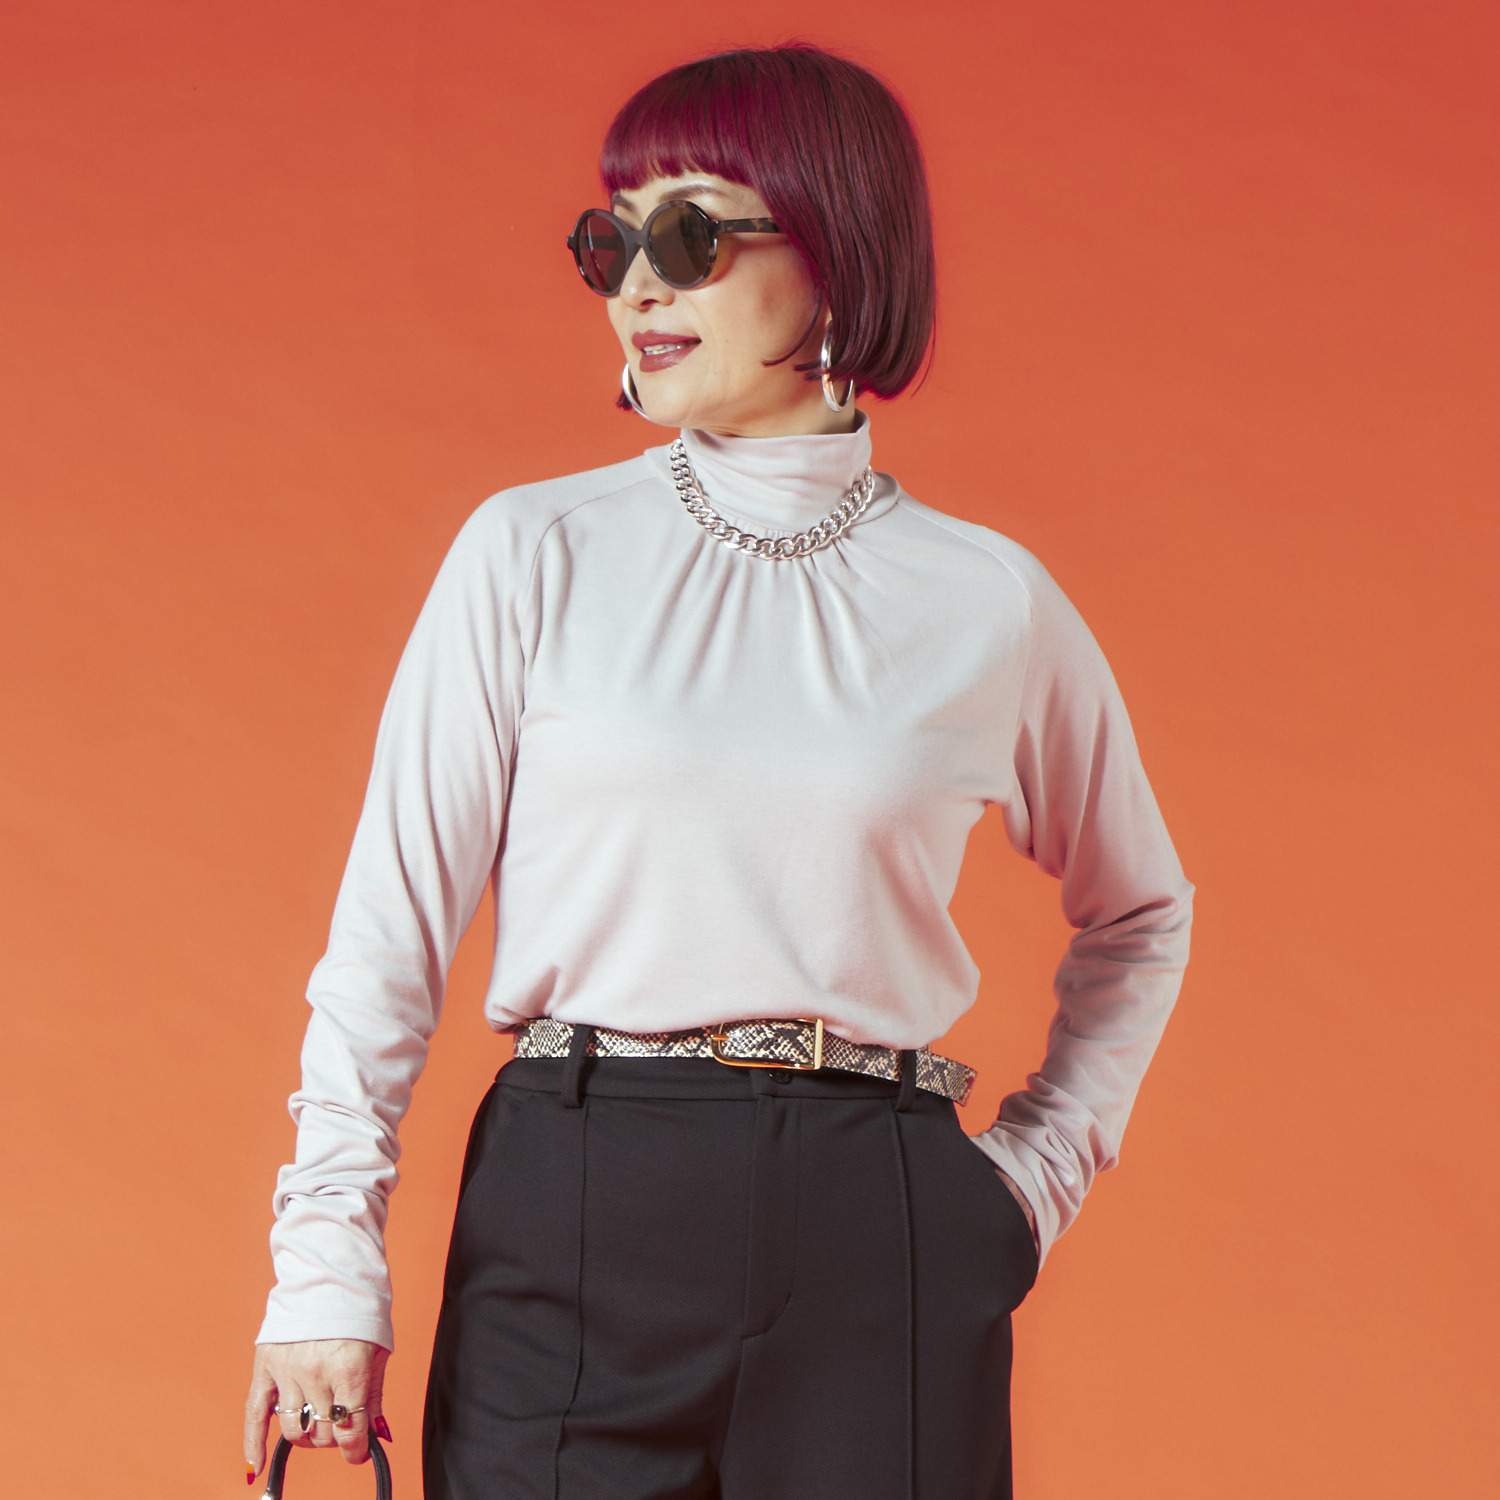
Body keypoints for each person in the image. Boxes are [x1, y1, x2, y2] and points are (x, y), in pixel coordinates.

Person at [243, 43, 1192, 1500]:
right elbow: (389, 935)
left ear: (836, 249)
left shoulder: (988, 600)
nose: (636, 285)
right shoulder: (534, 552)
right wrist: (324, 1265)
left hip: (879, 1230)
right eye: (609, 243)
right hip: (574, 1201)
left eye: (688, 236)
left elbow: (1141, 910)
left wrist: (1028, 1183)